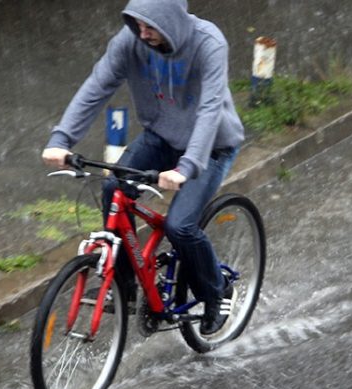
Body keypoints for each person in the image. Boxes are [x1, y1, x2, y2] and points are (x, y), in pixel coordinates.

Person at [41, 0, 244, 335]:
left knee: (180, 227)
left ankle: (217, 290)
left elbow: (210, 110)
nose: (143, 33)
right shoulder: (131, 40)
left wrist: (186, 167)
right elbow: (97, 86)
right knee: (113, 189)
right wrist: (62, 139)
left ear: (172, 20)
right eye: (137, 24)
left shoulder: (209, 43)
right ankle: (125, 287)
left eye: (151, 26)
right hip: (162, 136)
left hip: (211, 147)